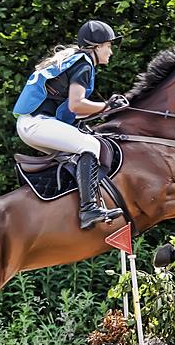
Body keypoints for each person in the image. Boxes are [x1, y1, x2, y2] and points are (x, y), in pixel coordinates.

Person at [13, 20, 129, 230]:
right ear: (96, 46)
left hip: (32, 125)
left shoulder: (76, 61)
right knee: (91, 147)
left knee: (79, 153)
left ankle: (68, 207)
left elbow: (70, 111)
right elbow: (77, 105)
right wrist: (106, 105)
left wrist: (100, 110)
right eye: (108, 46)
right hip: (38, 125)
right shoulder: (83, 64)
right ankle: (88, 210)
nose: (111, 52)